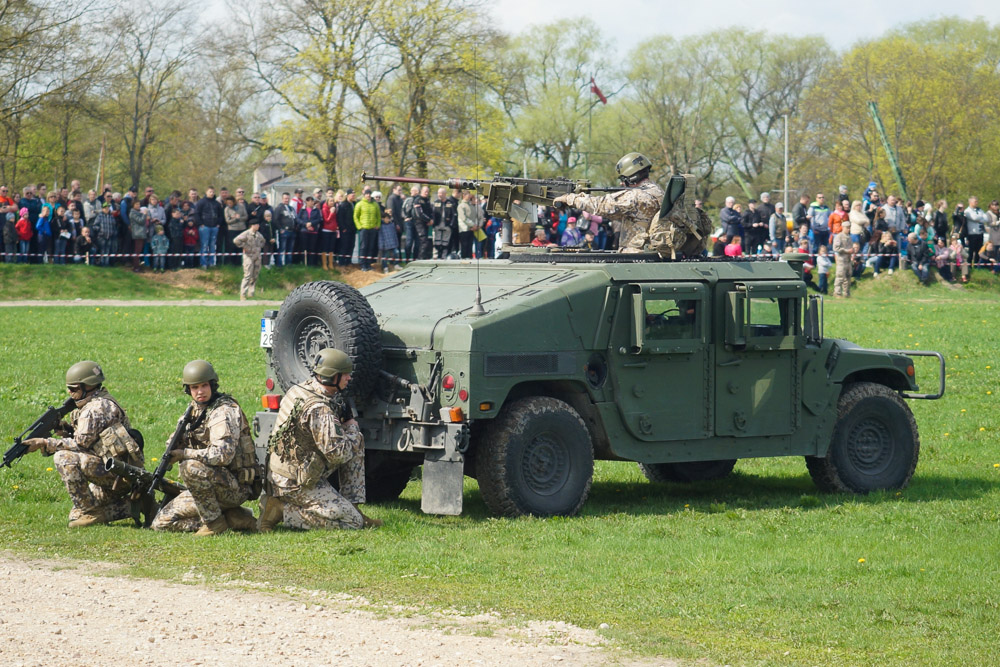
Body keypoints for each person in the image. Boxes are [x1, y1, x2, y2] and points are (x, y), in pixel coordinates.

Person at [258, 349, 381, 532]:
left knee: (354, 441)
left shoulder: (299, 390)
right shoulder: (319, 409)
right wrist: (352, 426)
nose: (349, 378)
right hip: (294, 482)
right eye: (345, 374)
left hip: (289, 470)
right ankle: (281, 510)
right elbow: (340, 454)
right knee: (352, 522)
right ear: (332, 377)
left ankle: (354, 507)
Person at [19, 361, 139, 527]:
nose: (69, 392)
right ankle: (133, 507)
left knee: (63, 458)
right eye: (69, 388)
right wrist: (65, 429)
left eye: (74, 389)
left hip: (119, 475)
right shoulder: (98, 401)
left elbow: (81, 445)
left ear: (88, 386)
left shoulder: (95, 409)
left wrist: (45, 443)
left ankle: (90, 513)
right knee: (74, 515)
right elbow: (92, 440)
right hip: (117, 472)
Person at [150, 361, 260, 536]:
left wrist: (185, 453)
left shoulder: (223, 411)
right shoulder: (195, 411)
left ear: (212, 385)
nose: (200, 391)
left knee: (189, 466)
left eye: (204, 386)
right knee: (161, 523)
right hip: (207, 487)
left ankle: (214, 523)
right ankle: (233, 518)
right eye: (194, 388)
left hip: (236, 487)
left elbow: (222, 455)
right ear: (189, 390)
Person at [553, 152, 664, 252]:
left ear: (632, 178)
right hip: (651, 253)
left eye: (623, 179)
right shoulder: (657, 191)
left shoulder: (636, 196)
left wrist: (570, 199)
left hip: (636, 256)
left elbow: (601, 205)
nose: (621, 184)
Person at [233, 220, 266, 300]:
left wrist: (258, 248)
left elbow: (263, 241)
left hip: (257, 256)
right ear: (252, 225)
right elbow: (236, 240)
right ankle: (243, 294)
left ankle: (251, 293)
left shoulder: (258, 235)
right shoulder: (246, 233)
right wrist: (245, 246)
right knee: (247, 275)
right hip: (248, 256)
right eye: (256, 224)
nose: (258, 226)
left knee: (255, 275)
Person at [353, 187, 381, 271]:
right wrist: (359, 227)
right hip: (364, 228)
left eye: (369, 194)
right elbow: (355, 216)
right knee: (363, 247)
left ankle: (369, 264)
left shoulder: (375, 204)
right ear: (364, 195)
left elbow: (378, 216)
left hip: (372, 228)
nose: (368, 195)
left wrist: (377, 225)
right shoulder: (360, 204)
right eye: (366, 194)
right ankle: (363, 264)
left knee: (371, 246)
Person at [832, 226, 853, 297]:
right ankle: (837, 293)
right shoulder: (839, 236)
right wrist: (847, 251)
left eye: (849, 228)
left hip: (848, 260)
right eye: (847, 228)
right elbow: (836, 248)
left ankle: (846, 293)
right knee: (840, 277)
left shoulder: (849, 237)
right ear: (843, 227)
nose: (848, 229)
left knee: (848, 277)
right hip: (841, 260)